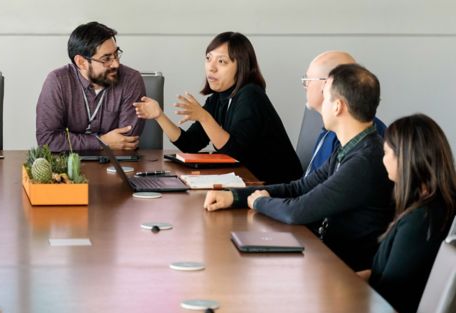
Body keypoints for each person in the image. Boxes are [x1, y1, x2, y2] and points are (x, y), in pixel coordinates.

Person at [204, 64, 394, 271]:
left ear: (338, 106)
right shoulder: (350, 147)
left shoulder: (364, 160)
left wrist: (259, 202)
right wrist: (235, 197)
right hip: (326, 258)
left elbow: (298, 210)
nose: (321, 103)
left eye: (325, 96)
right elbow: (299, 188)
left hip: (343, 271)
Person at [134, 32, 302, 184]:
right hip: (249, 183)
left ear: (241, 67)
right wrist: (159, 116)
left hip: (279, 189)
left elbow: (233, 153)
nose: (211, 67)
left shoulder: (251, 95)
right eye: (208, 58)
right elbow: (190, 144)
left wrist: (204, 117)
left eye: (221, 61)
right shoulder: (218, 98)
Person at [357, 114, 456, 313]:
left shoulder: (420, 221)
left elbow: (390, 294)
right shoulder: (432, 207)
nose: (383, 160)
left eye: (386, 153)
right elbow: (382, 275)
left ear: (405, 157)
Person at [36, 21, 145, 152]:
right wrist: (102, 142)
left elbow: (126, 142)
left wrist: (73, 142)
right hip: (66, 167)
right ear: (81, 62)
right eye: (106, 59)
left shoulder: (131, 80)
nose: (116, 64)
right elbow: (47, 140)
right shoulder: (58, 82)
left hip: (116, 165)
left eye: (116, 54)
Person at [301, 51, 387, 176]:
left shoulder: (357, 137)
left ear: (328, 83)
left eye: (308, 79)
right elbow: (309, 184)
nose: (305, 86)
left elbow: (325, 192)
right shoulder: (331, 128)